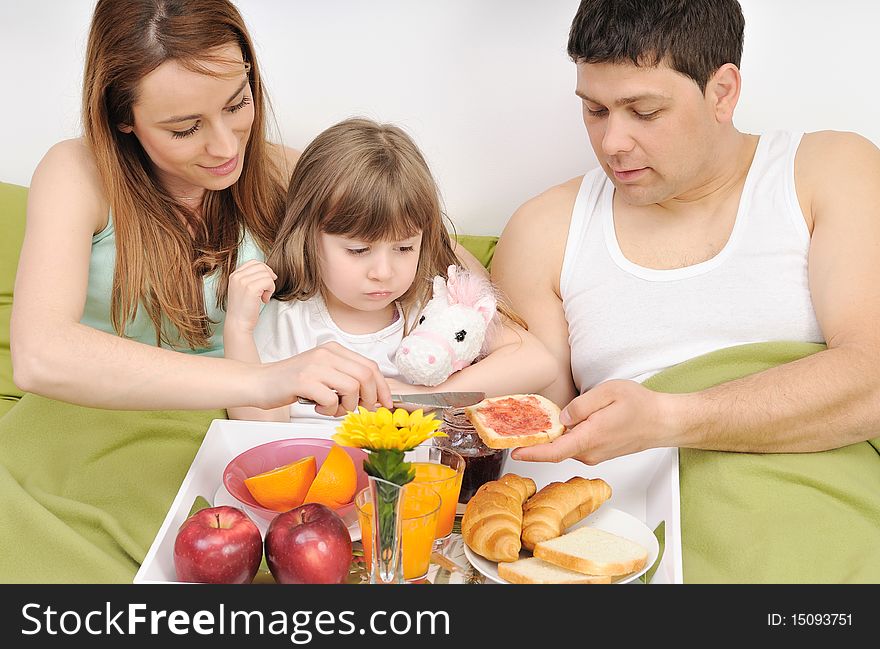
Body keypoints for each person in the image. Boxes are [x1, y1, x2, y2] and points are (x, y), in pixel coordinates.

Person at [8, 0, 482, 418]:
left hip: (239, 429)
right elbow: (39, 354)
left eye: (237, 104)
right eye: (184, 129)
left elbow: (457, 273)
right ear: (122, 118)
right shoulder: (77, 172)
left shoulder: (281, 172)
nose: (224, 147)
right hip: (90, 422)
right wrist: (265, 380)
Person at [492, 0, 880, 466]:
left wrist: (669, 420)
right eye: (595, 110)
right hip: (626, 525)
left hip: (811, 508)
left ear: (722, 92)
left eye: (645, 111)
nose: (612, 143)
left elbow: (873, 376)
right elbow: (538, 439)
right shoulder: (543, 230)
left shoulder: (828, 171)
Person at [224, 117, 557, 422]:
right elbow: (259, 428)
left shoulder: (433, 305)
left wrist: (420, 397)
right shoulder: (288, 319)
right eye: (358, 250)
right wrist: (238, 328)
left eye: (403, 248)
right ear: (307, 236)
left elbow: (537, 362)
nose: (383, 271)